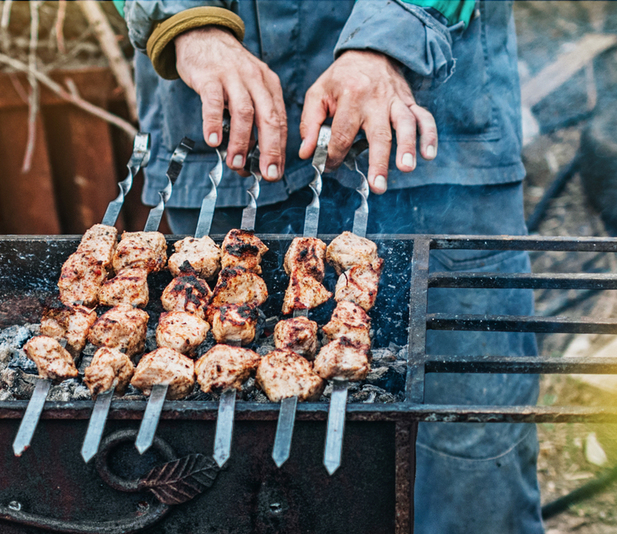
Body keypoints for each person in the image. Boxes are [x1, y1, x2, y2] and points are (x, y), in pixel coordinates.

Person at [116, 1, 544, 532]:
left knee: (469, 450)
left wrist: (395, 36)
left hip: (429, 131)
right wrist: (185, 21)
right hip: (223, 142)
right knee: (233, 475)